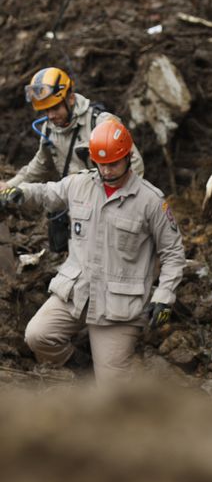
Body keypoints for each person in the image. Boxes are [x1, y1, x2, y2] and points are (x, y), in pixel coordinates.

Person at [0, 115, 185, 386]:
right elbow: (45, 193)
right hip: (76, 292)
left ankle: (107, 376)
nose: (107, 171)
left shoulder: (150, 201)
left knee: (112, 390)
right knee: (37, 336)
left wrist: (164, 297)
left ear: (127, 158)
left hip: (118, 306)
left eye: (112, 164)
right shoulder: (79, 184)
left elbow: (173, 253)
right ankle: (83, 369)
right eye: (101, 164)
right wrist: (20, 192)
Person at [3, 66, 145, 189]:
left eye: (55, 108)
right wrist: (9, 186)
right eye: (46, 110)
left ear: (70, 99)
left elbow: (134, 163)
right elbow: (39, 165)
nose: (51, 116)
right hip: (75, 205)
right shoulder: (49, 129)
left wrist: (120, 201)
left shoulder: (101, 123)